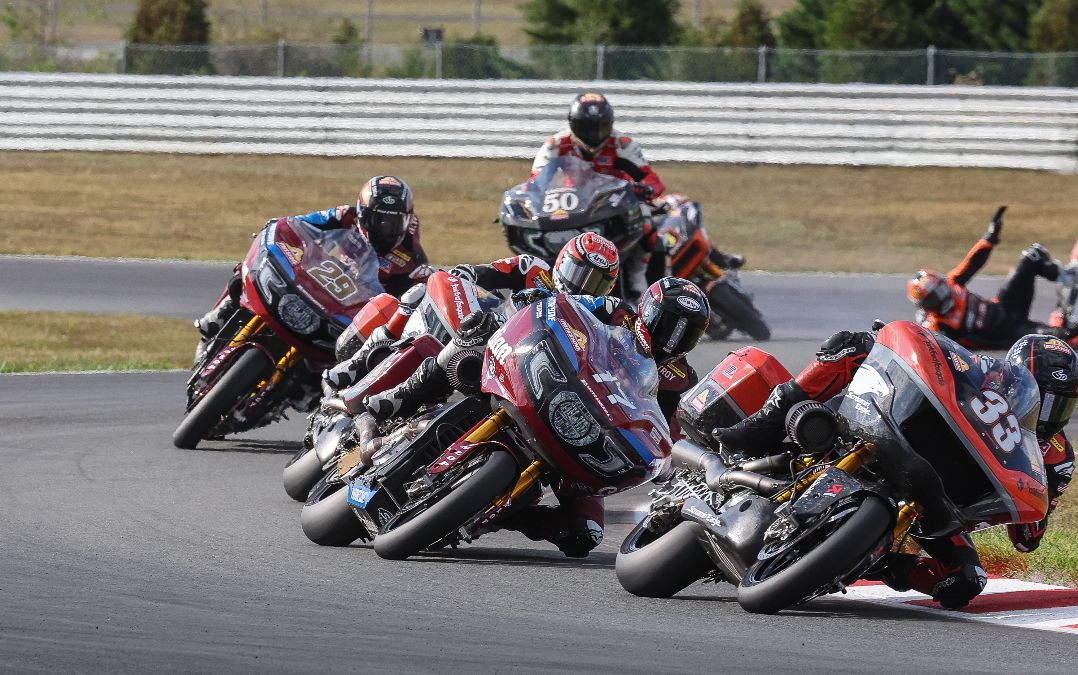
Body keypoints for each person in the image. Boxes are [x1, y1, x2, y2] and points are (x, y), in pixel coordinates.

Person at [714, 330, 1078, 610]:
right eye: (1041, 397)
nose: (1048, 413)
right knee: (853, 344)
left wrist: (1042, 502)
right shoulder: (982, 372)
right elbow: (931, 357)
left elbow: (1025, 539)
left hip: (940, 502)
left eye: (1059, 405)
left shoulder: (1055, 458)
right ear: (1014, 375)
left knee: (963, 582)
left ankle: (875, 560)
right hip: (893, 433)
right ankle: (761, 425)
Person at [358, 275, 711, 558]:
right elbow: (565, 306)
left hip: (585, 432)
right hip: (543, 382)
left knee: (583, 536)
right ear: (649, 309)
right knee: (471, 347)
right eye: (668, 323)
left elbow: (664, 432)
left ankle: (485, 512)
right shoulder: (614, 310)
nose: (673, 337)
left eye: (687, 332)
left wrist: (665, 461)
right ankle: (396, 399)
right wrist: (534, 300)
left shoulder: (680, 380)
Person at [323, 233, 621, 392]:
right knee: (422, 289)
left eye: (596, 283)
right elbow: (489, 273)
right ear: (562, 262)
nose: (582, 286)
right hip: (486, 328)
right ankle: (361, 359)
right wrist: (466, 273)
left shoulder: (591, 320)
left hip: (517, 366)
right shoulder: (534, 269)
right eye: (579, 273)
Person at [531, 92, 744, 291]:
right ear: (572, 124)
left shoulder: (621, 144)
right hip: (574, 210)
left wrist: (643, 189)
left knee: (648, 226)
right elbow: (536, 182)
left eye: (600, 127)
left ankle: (638, 281)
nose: (593, 134)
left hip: (616, 206)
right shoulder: (555, 145)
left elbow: (650, 179)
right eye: (585, 127)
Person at [195, 175, 431, 340]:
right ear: (362, 212)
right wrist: (279, 229)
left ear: (407, 220)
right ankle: (221, 311)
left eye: (392, 222)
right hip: (324, 280)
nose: (384, 228)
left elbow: (410, 309)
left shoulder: (413, 259)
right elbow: (299, 224)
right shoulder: (344, 216)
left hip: (356, 313)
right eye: (378, 219)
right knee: (252, 266)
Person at [907, 206, 1062, 350]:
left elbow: (973, 262)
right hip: (1008, 334)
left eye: (939, 289)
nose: (942, 296)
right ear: (924, 307)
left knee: (1032, 255)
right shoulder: (938, 328)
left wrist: (990, 236)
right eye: (933, 298)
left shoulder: (952, 282)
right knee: (1056, 339)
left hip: (1005, 306)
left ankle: (1068, 279)